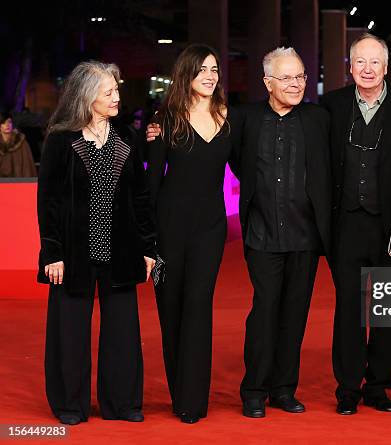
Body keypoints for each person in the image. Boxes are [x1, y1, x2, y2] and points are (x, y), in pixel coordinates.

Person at [37, 61, 156, 426]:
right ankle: (70, 405)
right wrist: (52, 253)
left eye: (116, 90)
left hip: (120, 251)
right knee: (70, 332)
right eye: (109, 92)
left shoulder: (127, 138)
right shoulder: (61, 139)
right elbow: (49, 201)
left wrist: (148, 248)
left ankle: (122, 404)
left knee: (122, 331)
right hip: (72, 255)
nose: (117, 97)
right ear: (88, 97)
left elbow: (140, 197)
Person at [232, 47, 331, 419]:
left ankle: (284, 389)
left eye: (301, 76)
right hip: (262, 233)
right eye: (287, 77)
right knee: (264, 311)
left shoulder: (318, 119)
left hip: (305, 235)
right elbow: (228, 155)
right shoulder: (245, 118)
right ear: (267, 82)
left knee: (294, 314)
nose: (296, 84)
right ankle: (254, 390)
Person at [146, 44, 237, 424]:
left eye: (214, 69)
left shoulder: (230, 117)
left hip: (211, 229)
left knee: (198, 307)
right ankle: (178, 391)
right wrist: (147, 241)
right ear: (187, 73)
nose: (210, 76)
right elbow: (149, 186)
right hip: (168, 230)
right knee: (171, 309)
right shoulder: (164, 119)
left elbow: (251, 168)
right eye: (202, 70)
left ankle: (192, 400)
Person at [319, 33, 391, 415]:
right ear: (350, 67)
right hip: (347, 223)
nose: (368, 69)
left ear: (386, 68)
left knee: (388, 309)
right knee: (349, 308)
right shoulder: (331, 105)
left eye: (375, 63)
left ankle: (379, 386)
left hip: (390, 223)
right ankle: (348, 387)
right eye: (360, 62)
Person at [0, 112, 37, 177]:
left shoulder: (21, 142)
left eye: (9, 122)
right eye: (3, 123)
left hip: (18, 183)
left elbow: (27, 166)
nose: (7, 125)